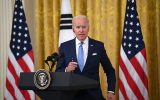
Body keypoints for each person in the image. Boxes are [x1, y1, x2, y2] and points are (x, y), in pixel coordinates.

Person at [56, 15, 116, 100]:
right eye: (78, 27)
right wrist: (67, 70)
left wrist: (111, 91)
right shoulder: (65, 47)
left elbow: (109, 70)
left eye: (84, 27)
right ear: (73, 29)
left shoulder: (98, 46)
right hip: (72, 96)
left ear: (88, 28)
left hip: (94, 96)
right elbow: (58, 72)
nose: (81, 30)